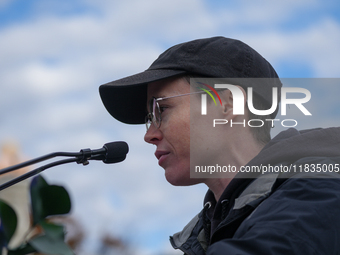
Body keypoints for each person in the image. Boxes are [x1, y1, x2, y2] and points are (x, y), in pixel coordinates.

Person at [99, 37, 340, 254]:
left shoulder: (321, 188)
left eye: (160, 109)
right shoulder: (207, 233)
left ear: (227, 105)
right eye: (148, 118)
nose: (149, 134)